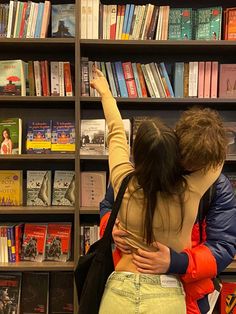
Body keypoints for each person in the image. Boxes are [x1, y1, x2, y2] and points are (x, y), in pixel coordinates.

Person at [90, 69, 227, 314]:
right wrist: (109, 225)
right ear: (174, 151)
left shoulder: (123, 178)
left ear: (138, 157)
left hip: (125, 284)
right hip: (167, 292)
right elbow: (218, 163)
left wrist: (106, 92)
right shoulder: (192, 191)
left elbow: (115, 133)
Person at [100, 173, 236, 314]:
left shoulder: (214, 184)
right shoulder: (134, 171)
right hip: (125, 286)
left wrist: (176, 262)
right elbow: (108, 205)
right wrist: (111, 227)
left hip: (188, 296)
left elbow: (223, 246)